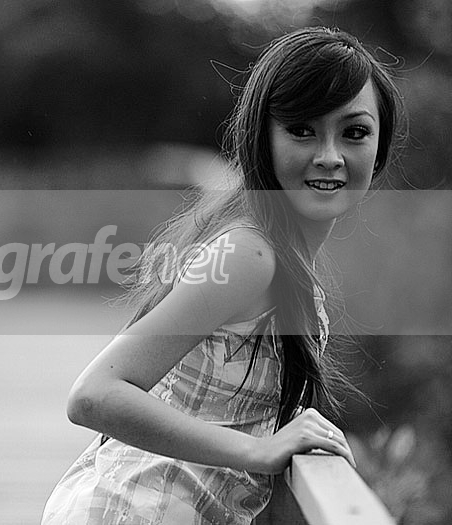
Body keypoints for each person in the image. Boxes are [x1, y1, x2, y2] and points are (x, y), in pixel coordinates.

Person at [41, 26, 405, 525]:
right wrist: (258, 451)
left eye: (355, 132)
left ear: (380, 147)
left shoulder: (276, 256)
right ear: (263, 139)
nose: (329, 155)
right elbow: (94, 395)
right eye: (302, 130)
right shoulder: (250, 254)